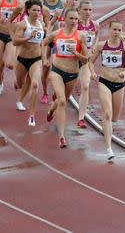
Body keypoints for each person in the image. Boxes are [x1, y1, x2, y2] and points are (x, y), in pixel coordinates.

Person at [89, 19, 125, 160]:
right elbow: (90, 62)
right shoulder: (101, 46)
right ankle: (109, 148)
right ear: (109, 31)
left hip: (119, 84)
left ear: (121, 32)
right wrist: (92, 72)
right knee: (107, 114)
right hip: (104, 82)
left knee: (114, 118)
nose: (116, 32)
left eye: (118, 30)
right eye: (114, 29)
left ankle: (107, 127)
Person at [41, 8, 88, 148]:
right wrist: (44, 59)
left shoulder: (81, 36)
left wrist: (76, 54)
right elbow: (43, 43)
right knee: (61, 101)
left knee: (62, 101)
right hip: (57, 71)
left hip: (72, 73)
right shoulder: (56, 34)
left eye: (76, 19)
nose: (74, 21)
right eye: (71, 18)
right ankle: (62, 137)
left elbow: (85, 60)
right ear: (65, 19)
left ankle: (51, 109)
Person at [8, 0, 45, 127]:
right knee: (20, 84)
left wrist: (44, 59)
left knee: (34, 84)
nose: (36, 12)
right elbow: (15, 42)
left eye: (38, 10)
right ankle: (17, 86)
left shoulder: (42, 25)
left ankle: (32, 115)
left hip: (36, 59)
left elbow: (42, 44)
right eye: (34, 10)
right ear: (28, 11)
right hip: (22, 60)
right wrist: (28, 37)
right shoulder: (23, 25)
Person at [40, 0, 64, 104]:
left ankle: (56, 92)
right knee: (45, 67)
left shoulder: (63, 4)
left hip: (58, 40)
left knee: (56, 66)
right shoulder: (42, 4)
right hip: (45, 37)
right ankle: (44, 92)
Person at [76, 0, 99, 128]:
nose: (88, 12)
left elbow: (97, 35)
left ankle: (81, 118)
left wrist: (94, 47)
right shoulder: (74, 23)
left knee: (85, 86)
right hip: (73, 60)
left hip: (86, 60)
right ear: (79, 10)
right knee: (64, 94)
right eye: (85, 9)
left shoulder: (95, 25)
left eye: (90, 10)